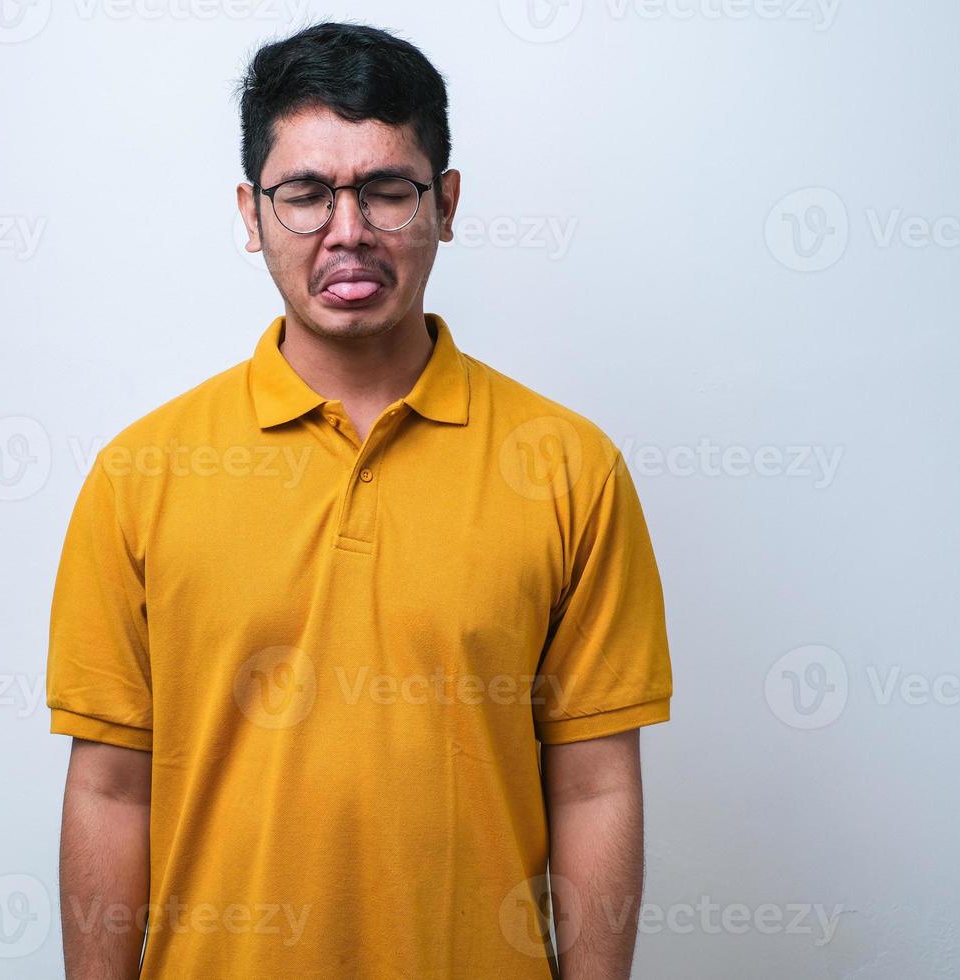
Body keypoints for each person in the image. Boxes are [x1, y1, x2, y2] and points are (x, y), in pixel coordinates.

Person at [46, 21, 673, 980]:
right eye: (305, 194)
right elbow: (111, 791)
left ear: (446, 204)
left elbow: (592, 785)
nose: (350, 229)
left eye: (387, 189)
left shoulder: (569, 470)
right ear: (253, 214)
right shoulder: (141, 474)